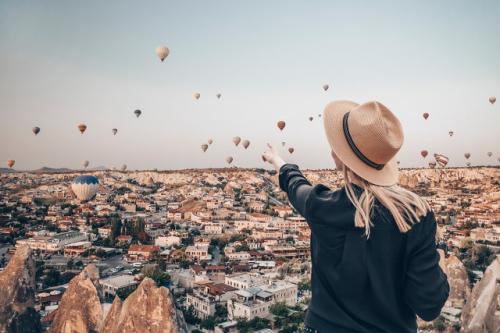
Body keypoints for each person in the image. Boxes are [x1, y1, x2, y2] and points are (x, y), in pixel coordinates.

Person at [263, 101, 449, 333]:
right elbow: (429, 306)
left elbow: (294, 183)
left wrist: (276, 161)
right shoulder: (416, 215)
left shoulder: (320, 205)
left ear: (338, 158)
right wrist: (439, 247)